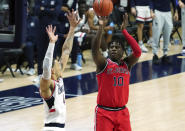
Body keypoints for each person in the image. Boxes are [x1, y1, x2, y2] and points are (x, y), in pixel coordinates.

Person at [92, 14, 141, 131]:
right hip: (104, 113)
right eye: (111, 47)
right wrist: (100, 28)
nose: (113, 48)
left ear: (123, 52)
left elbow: (138, 51)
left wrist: (124, 31)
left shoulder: (127, 64)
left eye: (117, 47)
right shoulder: (103, 64)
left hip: (122, 112)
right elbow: (94, 50)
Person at [39, 10, 80, 131]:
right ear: (52, 70)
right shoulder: (47, 85)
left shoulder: (59, 77)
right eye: (58, 63)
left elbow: (66, 50)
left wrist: (72, 29)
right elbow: (45, 67)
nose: (61, 63)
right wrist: (51, 43)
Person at [34, 0, 62, 82]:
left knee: (52, 52)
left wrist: (43, 9)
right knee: (41, 52)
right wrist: (50, 10)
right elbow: (36, 11)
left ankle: (52, 75)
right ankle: (40, 74)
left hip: (53, 27)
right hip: (41, 28)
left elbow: (56, 12)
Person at [151, 0, 178, 64]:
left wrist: (176, 12)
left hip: (168, 12)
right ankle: (155, 55)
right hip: (157, 12)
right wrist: (151, 11)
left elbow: (174, 1)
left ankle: (165, 54)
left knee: (167, 34)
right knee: (156, 34)